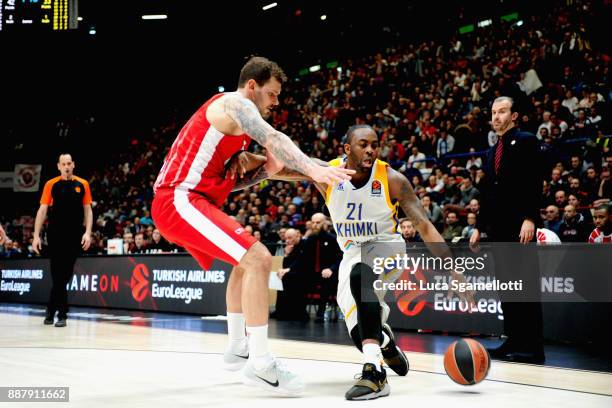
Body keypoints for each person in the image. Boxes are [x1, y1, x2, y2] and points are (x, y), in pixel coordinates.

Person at [150, 56, 354, 395]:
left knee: (245, 263)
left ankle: (237, 347)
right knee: (259, 258)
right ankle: (261, 365)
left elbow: (275, 169)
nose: (277, 101)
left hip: (192, 199)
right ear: (252, 86)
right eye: (273, 94)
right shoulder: (235, 104)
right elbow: (275, 140)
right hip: (178, 199)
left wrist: (337, 171)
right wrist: (317, 172)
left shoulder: (237, 133)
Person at [231, 124, 472, 400]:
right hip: (352, 254)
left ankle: (375, 374)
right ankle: (384, 342)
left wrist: (453, 269)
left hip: (387, 248)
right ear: (347, 149)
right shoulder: (327, 173)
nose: (370, 150)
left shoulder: (392, 179)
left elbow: (425, 225)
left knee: (361, 273)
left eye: (374, 144)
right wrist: (250, 160)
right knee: (361, 333)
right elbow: (283, 168)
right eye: (363, 144)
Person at [473, 96, 545, 364]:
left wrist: (530, 217)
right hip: (498, 230)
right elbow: (488, 192)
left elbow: (534, 181)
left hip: (520, 227)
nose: (496, 117)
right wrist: (480, 227)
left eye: (502, 111)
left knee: (525, 286)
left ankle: (533, 347)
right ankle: (513, 339)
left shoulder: (526, 140)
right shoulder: (492, 151)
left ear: (514, 116)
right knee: (508, 288)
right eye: (493, 112)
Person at [32, 153, 93, 328]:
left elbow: (88, 210)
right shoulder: (51, 185)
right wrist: (36, 236)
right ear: (58, 166)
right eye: (63, 164)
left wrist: (88, 233)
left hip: (74, 236)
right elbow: (42, 211)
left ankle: (50, 309)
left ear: (73, 165)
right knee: (58, 274)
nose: (66, 166)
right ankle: (62, 314)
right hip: (55, 235)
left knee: (64, 276)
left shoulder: (83, 184)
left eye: (69, 163)